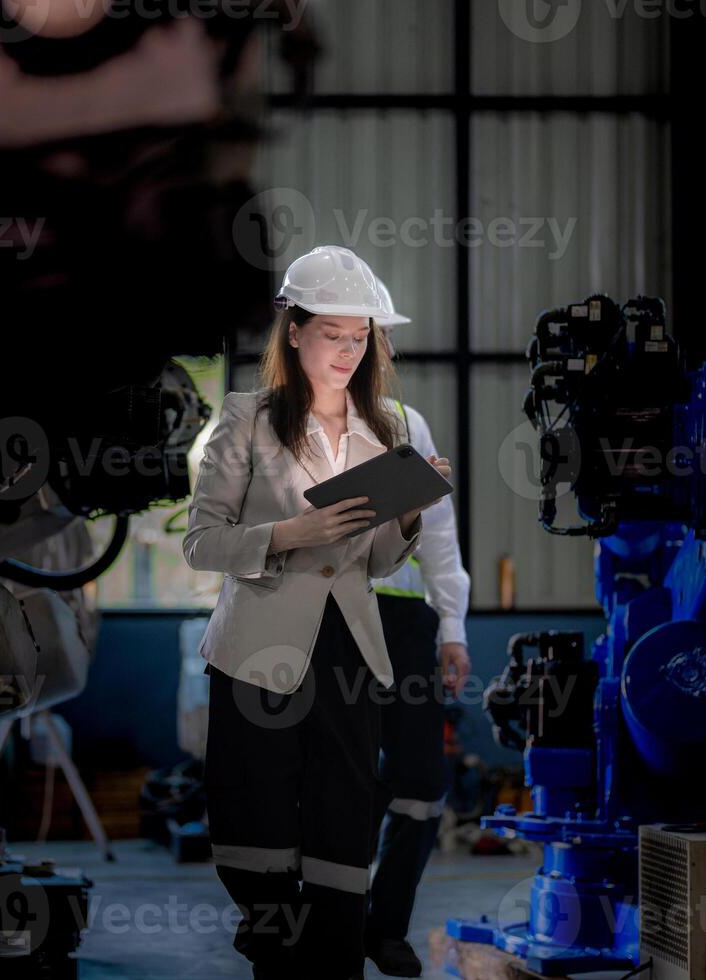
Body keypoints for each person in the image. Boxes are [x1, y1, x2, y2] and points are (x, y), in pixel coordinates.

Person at [183, 245, 453, 980]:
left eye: (360, 335)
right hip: (257, 652)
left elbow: (379, 564)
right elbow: (201, 543)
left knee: (343, 821)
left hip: (350, 653)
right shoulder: (245, 418)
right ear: (293, 330)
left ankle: (335, 959)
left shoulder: (384, 430)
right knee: (256, 819)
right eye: (332, 332)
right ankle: (274, 946)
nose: (347, 348)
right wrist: (286, 535)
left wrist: (409, 512)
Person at [365, 279, 472, 977]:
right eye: (379, 336)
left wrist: (452, 628)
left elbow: (438, 536)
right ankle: (320, 926)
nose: (389, 348)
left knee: (423, 786)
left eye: (379, 337)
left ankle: (385, 924)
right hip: (328, 622)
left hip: (406, 626)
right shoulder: (294, 430)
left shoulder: (406, 423)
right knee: (333, 785)